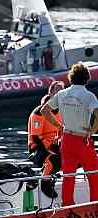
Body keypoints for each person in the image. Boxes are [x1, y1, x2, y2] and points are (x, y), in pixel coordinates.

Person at [41, 63, 98, 206]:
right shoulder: (89, 96)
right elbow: (97, 114)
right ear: (87, 79)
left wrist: (58, 125)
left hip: (66, 139)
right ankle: (94, 206)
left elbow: (44, 110)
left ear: (71, 78)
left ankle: (68, 207)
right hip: (83, 139)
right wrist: (92, 130)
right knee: (93, 174)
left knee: (68, 176)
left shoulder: (61, 94)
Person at [27, 81, 64, 198]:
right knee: (54, 158)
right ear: (51, 93)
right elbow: (36, 138)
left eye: (62, 92)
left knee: (77, 156)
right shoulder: (39, 112)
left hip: (55, 144)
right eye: (58, 92)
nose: (60, 94)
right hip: (37, 148)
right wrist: (51, 148)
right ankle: (44, 182)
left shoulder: (62, 111)